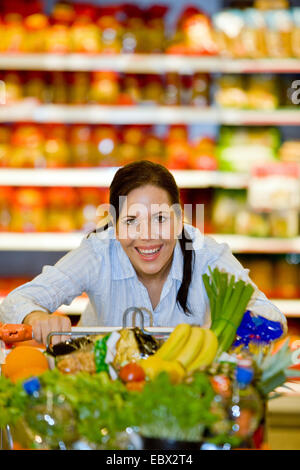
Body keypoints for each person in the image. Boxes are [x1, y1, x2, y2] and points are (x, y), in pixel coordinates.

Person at [0, 160, 287, 345]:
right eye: (131, 221)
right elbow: (17, 300)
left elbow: (272, 318)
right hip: (104, 386)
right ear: (113, 225)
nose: (147, 235)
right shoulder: (99, 251)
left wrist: (235, 328)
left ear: (179, 220)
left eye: (160, 218)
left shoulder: (207, 255)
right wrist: (36, 317)